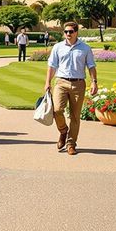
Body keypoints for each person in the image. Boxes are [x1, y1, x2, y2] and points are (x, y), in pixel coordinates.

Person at [44, 22, 98, 156]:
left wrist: (94, 82)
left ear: (76, 32)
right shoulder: (58, 47)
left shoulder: (85, 48)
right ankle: (63, 131)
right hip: (61, 82)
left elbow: (91, 66)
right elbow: (52, 66)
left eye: (71, 31)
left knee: (75, 116)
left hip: (78, 84)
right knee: (57, 110)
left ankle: (71, 143)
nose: (68, 34)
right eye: (66, 31)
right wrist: (47, 82)